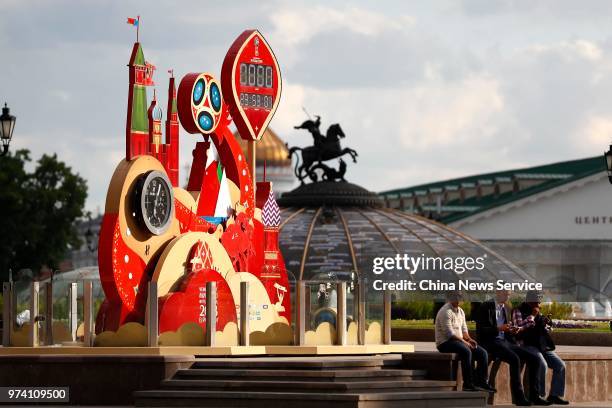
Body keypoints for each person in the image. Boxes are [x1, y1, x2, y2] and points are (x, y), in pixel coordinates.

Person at [476, 290, 549, 406]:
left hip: (505, 341)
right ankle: (519, 398)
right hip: (490, 342)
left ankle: (535, 396)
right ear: (498, 292)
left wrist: (512, 331)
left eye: (509, 295)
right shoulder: (486, 306)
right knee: (515, 359)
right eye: (505, 294)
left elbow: (507, 330)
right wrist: (499, 329)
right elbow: (481, 331)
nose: (507, 297)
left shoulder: (506, 307)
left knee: (534, 359)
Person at [512, 291, 569, 406]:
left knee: (560, 365)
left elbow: (542, 330)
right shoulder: (518, 311)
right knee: (541, 364)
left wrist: (546, 325)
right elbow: (518, 328)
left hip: (541, 346)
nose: (539, 303)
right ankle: (538, 395)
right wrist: (532, 316)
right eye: (537, 300)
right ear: (529, 300)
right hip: (526, 345)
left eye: (539, 300)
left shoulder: (537, 311)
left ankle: (554, 395)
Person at [435, 291, 495, 392]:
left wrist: (470, 339)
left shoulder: (461, 311)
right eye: (456, 297)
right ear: (450, 297)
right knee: (466, 350)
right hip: (445, 343)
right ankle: (468, 384)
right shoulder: (445, 311)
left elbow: (464, 330)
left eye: (460, 297)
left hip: (459, 341)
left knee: (482, 353)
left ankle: (482, 382)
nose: (459, 299)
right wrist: (465, 342)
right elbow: (450, 334)